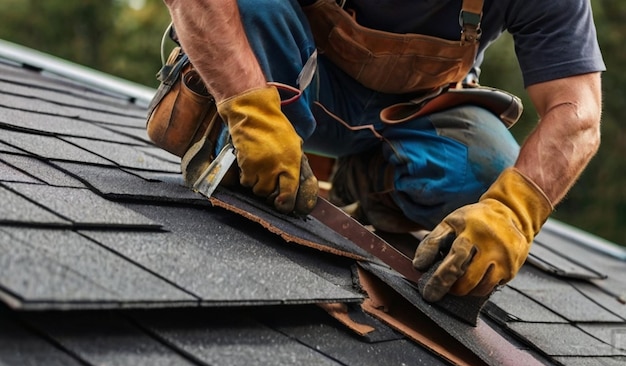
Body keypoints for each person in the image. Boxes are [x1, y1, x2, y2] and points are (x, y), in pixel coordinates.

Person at [162, 0, 604, 302]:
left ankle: (372, 180)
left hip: (406, 114)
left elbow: (578, 112)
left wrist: (513, 211)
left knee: (489, 176)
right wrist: (249, 111)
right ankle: (250, 150)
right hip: (290, 82)